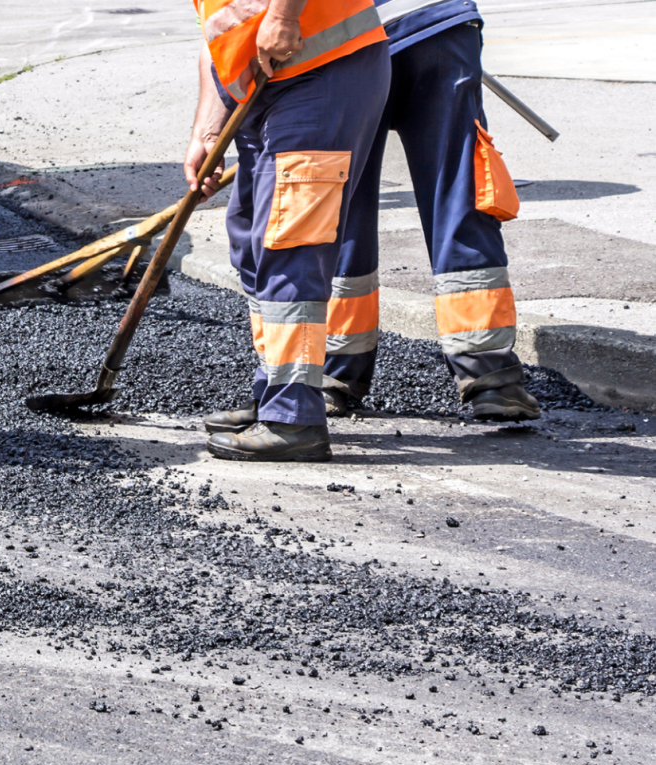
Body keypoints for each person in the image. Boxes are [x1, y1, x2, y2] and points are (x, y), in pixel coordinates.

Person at [188, 0, 391, 462]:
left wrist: (282, 15)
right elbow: (216, 35)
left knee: (290, 243)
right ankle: (275, 390)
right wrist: (206, 132)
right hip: (264, 92)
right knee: (251, 238)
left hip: (322, 73)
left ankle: (293, 416)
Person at [318, 0, 539, 421]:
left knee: (343, 203)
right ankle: (490, 375)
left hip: (342, 38)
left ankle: (332, 372)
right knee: (457, 191)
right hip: (435, 22)